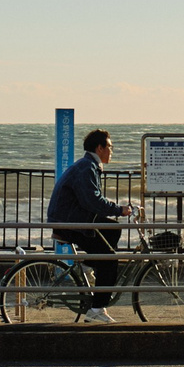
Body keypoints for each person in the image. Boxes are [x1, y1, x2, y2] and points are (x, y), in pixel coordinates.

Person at [47, 128, 131, 324]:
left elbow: (92, 202)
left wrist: (116, 211)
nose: (112, 151)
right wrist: (120, 210)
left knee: (113, 230)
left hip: (71, 219)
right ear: (99, 148)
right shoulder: (87, 168)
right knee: (110, 260)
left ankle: (87, 265)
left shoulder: (88, 165)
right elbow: (92, 201)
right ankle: (97, 308)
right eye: (110, 147)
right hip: (70, 223)